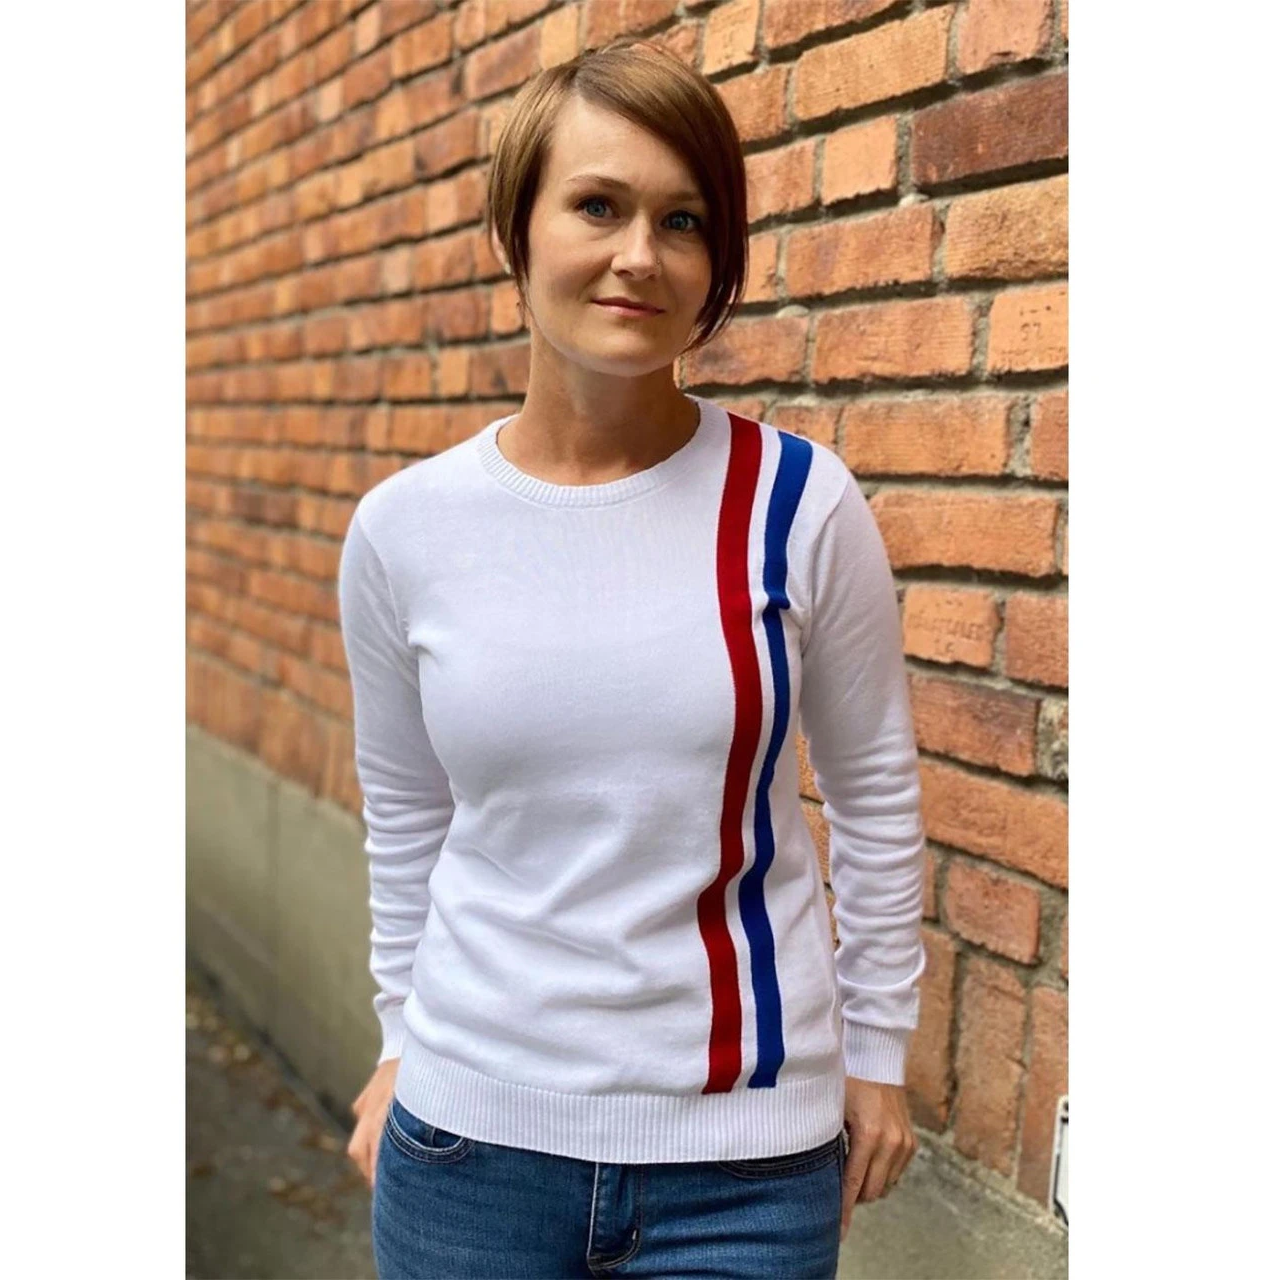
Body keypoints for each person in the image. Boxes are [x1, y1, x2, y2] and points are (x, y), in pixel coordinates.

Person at [337, 35, 927, 1280]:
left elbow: (873, 793)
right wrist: (398, 1037)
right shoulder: (404, 529)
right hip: (468, 1154)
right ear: (517, 229)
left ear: (717, 262)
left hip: (742, 1169)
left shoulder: (797, 502)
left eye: (682, 220)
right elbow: (406, 813)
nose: (638, 255)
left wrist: (876, 1048)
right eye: (596, 205)